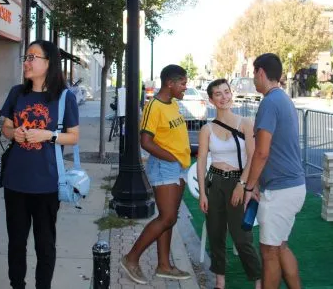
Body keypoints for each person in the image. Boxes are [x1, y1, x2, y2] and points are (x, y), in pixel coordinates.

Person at [0, 40, 79, 289]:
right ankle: (17, 285)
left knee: (45, 243)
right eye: (26, 56)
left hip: (46, 182)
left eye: (33, 57)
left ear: (49, 63)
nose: (27, 62)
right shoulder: (16, 93)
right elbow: (5, 127)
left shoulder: (65, 97)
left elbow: (73, 136)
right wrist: (15, 133)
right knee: (16, 242)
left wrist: (48, 135)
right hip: (16, 180)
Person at [120, 65, 192, 284]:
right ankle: (131, 258)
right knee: (167, 217)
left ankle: (164, 266)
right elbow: (145, 141)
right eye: (182, 83)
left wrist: (179, 159)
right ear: (170, 83)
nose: (185, 88)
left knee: (169, 218)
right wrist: (171, 157)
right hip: (164, 166)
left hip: (178, 167)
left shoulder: (173, 105)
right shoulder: (155, 105)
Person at [243, 53, 306, 289]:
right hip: (292, 187)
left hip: (281, 191)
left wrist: (249, 186)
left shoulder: (269, 102)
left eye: (253, 74)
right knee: (280, 247)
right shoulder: (283, 99)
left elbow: (261, 152)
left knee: (269, 252)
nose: (252, 79)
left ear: (261, 72)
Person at [196, 79, 262, 289]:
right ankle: (220, 282)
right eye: (218, 94)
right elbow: (200, 162)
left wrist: (242, 184)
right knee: (216, 235)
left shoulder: (245, 123)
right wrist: (202, 194)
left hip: (237, 182)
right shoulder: (207, 129)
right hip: (214, 182)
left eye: (226, 92)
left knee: (242, 238)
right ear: (211, 99)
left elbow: (253, 157)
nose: (224, 97)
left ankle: (258, 281)